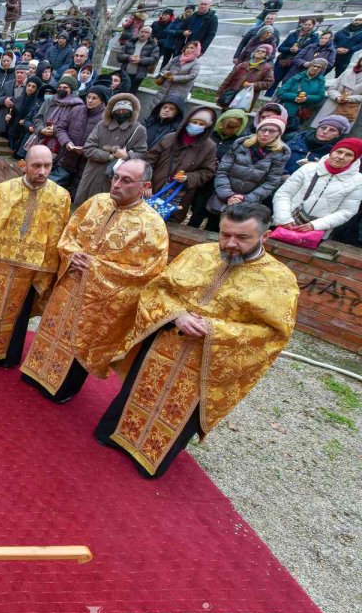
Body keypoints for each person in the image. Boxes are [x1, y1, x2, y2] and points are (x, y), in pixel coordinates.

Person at [96, 203, 298, 478]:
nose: (230, 244)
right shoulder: (198, 254)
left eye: (242, 237)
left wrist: (214, 328)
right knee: (139, 388)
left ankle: (150, 457)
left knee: (181, 409)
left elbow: (273, 334)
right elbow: (157, 290)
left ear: (266, 236)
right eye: (225, 234)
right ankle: (115, 435)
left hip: (208, 361)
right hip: (164, 344)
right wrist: (177, 314)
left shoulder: (279, 281)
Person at [21, 159, 168, 403]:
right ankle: (35, 371)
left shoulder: (152, 226)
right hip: (70, 284)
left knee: (81, 338)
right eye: (116, 177)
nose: (117, 184)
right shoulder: (96, 202)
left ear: (145, 186)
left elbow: (147, 273)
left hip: (100, 300)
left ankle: (61, 389)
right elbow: (69, 233)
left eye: (126, 180)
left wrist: (95, 268)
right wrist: (71, 254)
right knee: (54, 326)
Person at [0, 146, 70, 368]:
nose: (42, 171)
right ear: (24, 165)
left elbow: (58, 237)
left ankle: (7, 356)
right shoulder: (4, 190)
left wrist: (45, 272)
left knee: (17, 314)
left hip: (29, 273)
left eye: (47, 166)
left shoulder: (61, 197)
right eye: (36, 165)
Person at [202, 117, 289, 232]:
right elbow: (222, 171)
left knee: (233, 233)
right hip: (224, 198)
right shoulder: (241, 144)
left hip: (248, 203)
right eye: (263, 129)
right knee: (211, 229)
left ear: (279, 134)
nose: (266, 134)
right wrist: (228, 195)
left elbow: (271, 183)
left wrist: (246, 199)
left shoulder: (280, 154)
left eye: (272, 131)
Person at [272, 137, 362, 240]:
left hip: (315, 233)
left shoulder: (358, 181)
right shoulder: (308, 168)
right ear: (332, 152)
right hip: (284, 224)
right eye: (339, 152)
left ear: (355, 159)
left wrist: (315, 225)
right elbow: (284, 194)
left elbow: (347, 211)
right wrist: (284, 218)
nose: (341, 157)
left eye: (348, 155)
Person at [142, 106, 219, 223]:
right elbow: (150, 161)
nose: (196, 126)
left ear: (207, 126)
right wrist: (147, 183)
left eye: (201, 124)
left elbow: (208, 171)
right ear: (187, 121)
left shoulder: (209, 146)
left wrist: (189, 178)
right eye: (194, 122)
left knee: (169, 224)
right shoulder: (169, 138)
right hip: (155, 187)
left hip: (180, 194)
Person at [74, 93, 147, 206]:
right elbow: (88, 148)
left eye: (125, 111)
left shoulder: (139, 130)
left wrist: (126, 156)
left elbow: (142, 154)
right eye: (119, 110)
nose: (121, 113)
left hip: (118, 177)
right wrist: (109, 156)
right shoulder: (101, 125)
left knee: (108, 208)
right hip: (93, 173)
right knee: (85, 205)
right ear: (112, 111)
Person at [274, 58, 328, 133]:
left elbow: (320, 95)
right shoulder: (296, 77)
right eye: (314, 65)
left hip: (302, 113)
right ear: (309, 66)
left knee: (292, 133)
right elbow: (281, 92)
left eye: (319, 67)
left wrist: (307, 98)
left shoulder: (321, 81)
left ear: (321, 69)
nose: (315, 68)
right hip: (287, 109)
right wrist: (294, 97)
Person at [216, 45, 274, 111]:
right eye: (257, 51)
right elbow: (228, 79)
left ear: (266, 55)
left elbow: (269, 82)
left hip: (245, 98)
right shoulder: (243, 64)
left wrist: (254, 85)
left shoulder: (267, 68)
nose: (259, 52)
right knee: (225, 113)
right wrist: (219, 94)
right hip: (231, 95)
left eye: (263, 52)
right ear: (254, 53)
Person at [284, 114, 349, 171]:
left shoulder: (337, 152)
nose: (325, 131)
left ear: (338, 134)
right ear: (317, 128)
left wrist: (322, 167)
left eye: (332, 130)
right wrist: (284, 173)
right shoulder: (297, 139)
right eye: (323, 128)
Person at [114, 26, 159, 92]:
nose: (143, 34)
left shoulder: (153, 46)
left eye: (146, 32)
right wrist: (128, 57)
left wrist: (140, 60)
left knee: (131, 93)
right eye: (142, 31)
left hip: (138, 75)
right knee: (120, 91)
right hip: (124, 73)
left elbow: (153, 59)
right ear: (138, 32)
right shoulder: (130, 42)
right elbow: (119, 56)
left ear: (149, 35)